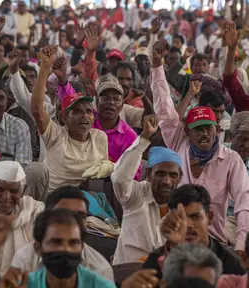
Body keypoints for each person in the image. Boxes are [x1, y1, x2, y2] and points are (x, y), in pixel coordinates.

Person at [151, 40, 249, 255]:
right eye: (198, 129)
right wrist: (157, 67)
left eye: (208, 128)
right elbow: (165, 109)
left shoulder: (231, 159)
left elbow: (243, 203)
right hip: (174, 238)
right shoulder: (179, 143)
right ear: (187, 130)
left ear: (217, 129)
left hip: (213, 243)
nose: (204, 133)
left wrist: (241, 245)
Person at [31, 45, 108, 192]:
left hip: (85, 202)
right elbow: (37, 110)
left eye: (88, 111)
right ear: (64, 117)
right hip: (53, 199)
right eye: (77, 111)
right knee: (34, 170)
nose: (84, 115)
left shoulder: (100, 137)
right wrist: (45, 67)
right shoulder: (56, 135)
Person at [111, 115, 183, 264]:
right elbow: (119, 178)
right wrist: (144, 138)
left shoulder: (181, 206)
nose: (166, 181)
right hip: (127, 272)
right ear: (149, 174)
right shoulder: (135, 194)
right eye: (160, 174)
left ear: (180, 177)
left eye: (173, 175)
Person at [8, 186, 114, 282]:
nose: (73, 221)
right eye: (64, 214)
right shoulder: (25, 259)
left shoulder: (100, 269)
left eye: (80, 216)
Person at [142, 184, 245, 281]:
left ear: (209, 217)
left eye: (195, 217)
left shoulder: (233, 266)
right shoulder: (155, 263)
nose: (188, 225)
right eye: (181, 218)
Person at [94, 74, 141, 170]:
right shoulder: (86, 126)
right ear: (97, 102)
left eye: (116, 99)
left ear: (122, 106)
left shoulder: (130, 136)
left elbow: (133, 172)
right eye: (106, 98)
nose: (111, 102)